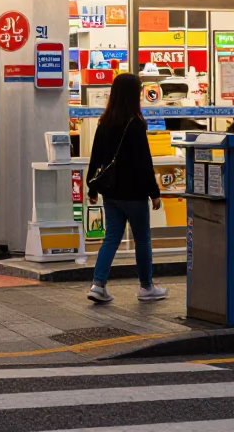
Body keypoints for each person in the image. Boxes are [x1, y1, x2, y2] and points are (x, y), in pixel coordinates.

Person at [86, 72, 168, 304]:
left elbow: (97, 158)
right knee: (142, 239)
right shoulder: (135, 123)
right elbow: (143, 161)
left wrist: (92, 186)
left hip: (110, 191)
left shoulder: (105, 122)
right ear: (134, 95)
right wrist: (154, 192)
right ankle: (146, 287)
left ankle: (98, 285)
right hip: (133, 192)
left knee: (111, 237)